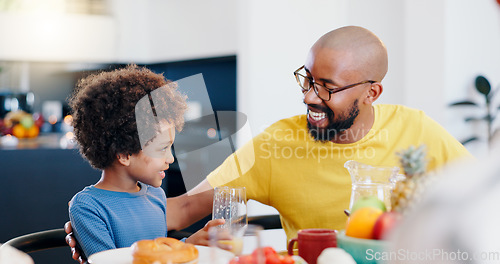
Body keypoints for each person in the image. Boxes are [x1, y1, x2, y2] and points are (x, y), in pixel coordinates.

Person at [66, 26, 472, 262]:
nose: (310, 96)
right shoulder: (278, 144)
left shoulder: (419, 132)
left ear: (372, 93)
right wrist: (102, 223)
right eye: (308, 79)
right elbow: (182, 208)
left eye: (328, 87)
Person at [67, 65, 223, 259]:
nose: (171, 158)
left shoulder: (156, 196)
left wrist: (190, 244)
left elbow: (156, 253)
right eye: (162, 149)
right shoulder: (87, 207)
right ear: (124, 154)